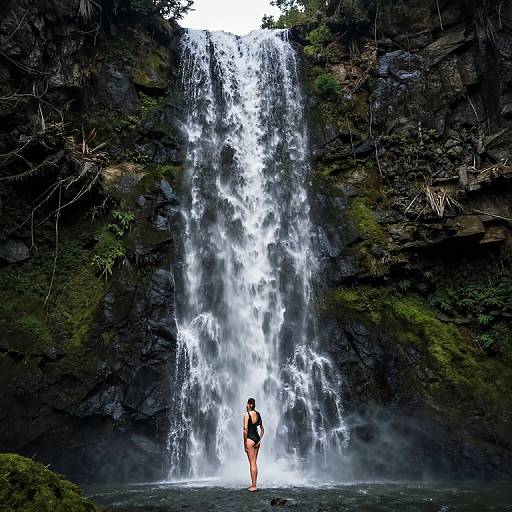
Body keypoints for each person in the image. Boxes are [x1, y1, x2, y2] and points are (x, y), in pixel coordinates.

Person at [243, 397, 264, 491]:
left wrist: (244, 443)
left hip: (250, 440)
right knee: (254, 463)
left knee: (252, 463)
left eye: (247, 404)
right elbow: (263, 430)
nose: (246, 405)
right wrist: (259, 440)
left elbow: (245, 430)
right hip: (257, 440)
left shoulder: (247, 415)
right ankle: (254, 484)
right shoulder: (258, 414)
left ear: (250, 404)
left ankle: (254, 486)